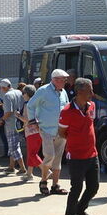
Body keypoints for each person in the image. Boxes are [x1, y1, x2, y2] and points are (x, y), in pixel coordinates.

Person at [59, 77, 99, 215]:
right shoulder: (67, 111)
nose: (92, 93)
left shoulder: (92, 106)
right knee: (76, 188)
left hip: (92, 154)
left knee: (93, 187)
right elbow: (62, 133)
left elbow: (91, 123)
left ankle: (80, 209)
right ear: (80, 91)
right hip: (76, 157)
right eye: (90, 90)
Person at [26, 68, 70, 196]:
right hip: (46, 129)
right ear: (55, 80)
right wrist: (33, 120)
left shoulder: (63, 92)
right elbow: (31, 105)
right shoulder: (43, 90)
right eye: (63, 80)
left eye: (65, 80)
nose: (65, 82)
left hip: (61, 130)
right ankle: (43, 181)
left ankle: (55, 185)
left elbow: (66, 107)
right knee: (49, 155)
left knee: (57, 158)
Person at [0, 79, 28, 177]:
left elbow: (8, 112)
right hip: (20, 122)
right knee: (14, 145)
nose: (0, 89)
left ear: (4, 87)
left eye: (1, 87)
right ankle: (11, 166)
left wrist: (1, 120)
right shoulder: (19, 92)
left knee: (14, 147)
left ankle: (23, 168)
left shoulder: (7, 96)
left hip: (11, 124)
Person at [22, 85, 45, 184]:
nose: (22, 95)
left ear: (27, 94)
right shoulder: (37, 103)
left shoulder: (28, 105)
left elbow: (28, 120)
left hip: (32, 132)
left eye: (23, 93)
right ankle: (29, 173)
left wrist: (18, 116)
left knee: (32, 154)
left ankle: (46, 170)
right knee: (32, 153)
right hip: (38, 132)